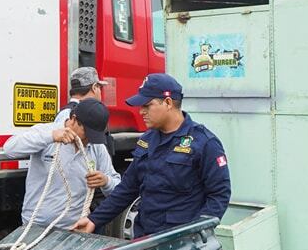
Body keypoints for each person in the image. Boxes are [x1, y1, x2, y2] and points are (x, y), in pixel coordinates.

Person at [72, 73, 231, 237]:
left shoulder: (204, 143)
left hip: (183, 243)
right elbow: (127, 188)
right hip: (145, 237)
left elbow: (219, 194)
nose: (141, 111)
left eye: (147, 106)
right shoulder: (147, 140)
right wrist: (94, 220)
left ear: (168, 103)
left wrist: (199, 232)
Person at [4, 98, 120, 229]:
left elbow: (118, 188)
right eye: (87, 133)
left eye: (95, 136)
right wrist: (51, 136)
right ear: (74, 119)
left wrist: (106, 181)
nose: (89, 140)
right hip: (35, 227)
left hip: (74, 228)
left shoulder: (96, 147)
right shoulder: (47, 132)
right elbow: (9, 149)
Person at [55, 66, 116, 156]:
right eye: (99, 88)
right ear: (95, 87)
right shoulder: (69, 115)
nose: (100, 92)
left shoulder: (65, 113)